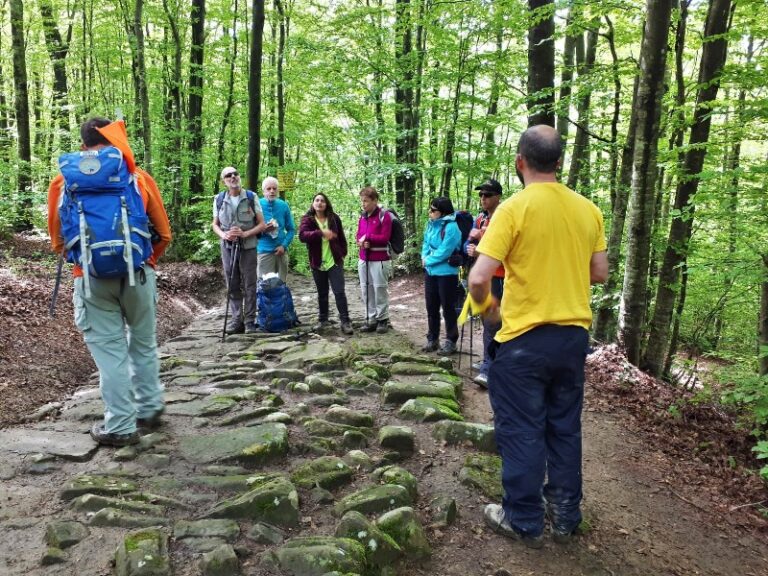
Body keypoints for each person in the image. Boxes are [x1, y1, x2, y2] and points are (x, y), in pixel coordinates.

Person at [467, 125, 608, 547]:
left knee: (522, 428)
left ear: (519, 163)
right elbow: (599, 272)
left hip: (524, 338)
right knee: (564, 426)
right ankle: (566, 516)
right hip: (572, 339)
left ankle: (523, 519)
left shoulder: (513, 209)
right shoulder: (588, 210)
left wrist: (488, 309)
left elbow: (478, 278)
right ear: (560, 162)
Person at [47, 117, 173, 447]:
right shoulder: (137, 176)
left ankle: (120, 425)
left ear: (84, 143)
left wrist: (84, 261)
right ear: (113, 138)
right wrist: (145, 259)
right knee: (143, 345)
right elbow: (165, 233)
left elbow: (58, 240)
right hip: (139, 274)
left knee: (111, 355)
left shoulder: (64, 180)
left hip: (90, 281)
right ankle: (149, 407)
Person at [212, 166, 267, 334]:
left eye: (235, 173)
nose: (233, 177)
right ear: (224, 181)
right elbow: (215, 224)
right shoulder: (219, 199)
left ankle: (250, 321)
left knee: (250, 283)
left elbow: (262, 224)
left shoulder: (251, 197)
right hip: (227, 247)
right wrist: (224, 235)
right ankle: (237, 320)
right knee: (232, 283)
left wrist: (245, 233)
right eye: (228, 175)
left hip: (248, 246)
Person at [465, 178, 505, 387]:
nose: (483, 198)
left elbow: (502, 246)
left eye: (487, 195)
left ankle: (490, 369)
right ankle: (489, 361)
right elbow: (469, 242)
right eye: (481, 195)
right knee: (486, 321)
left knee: (494, 323)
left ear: (498, 196)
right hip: (484, 276)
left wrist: (479, 242)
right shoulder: (480, 218)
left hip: (499, 276)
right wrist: (469, 248)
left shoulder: (503, 217)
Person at [298, 193, 354, 335]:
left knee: (339, 292)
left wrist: (342, 253)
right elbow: (302, 236)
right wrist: (321, 233)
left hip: (334, 261)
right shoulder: (307, 219)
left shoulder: (334, 218)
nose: (319, 203)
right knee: (322, 293)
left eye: (322, 201)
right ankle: (323, 320)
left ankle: (345, 321)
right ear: (313, 203)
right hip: (317, 262)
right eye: (317, 200)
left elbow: (341, 237)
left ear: (326, 203)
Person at [420, 196, 462, 355]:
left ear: (443, 212)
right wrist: (424, 258)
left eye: (433, 210)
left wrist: (428, 261)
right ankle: (433, 339)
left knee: (448, 308)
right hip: (431, 272)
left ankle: (451, 341)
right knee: (431, 306)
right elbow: (425, 243)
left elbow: (446, 251)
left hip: (447, 274)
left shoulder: (452, 227)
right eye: (430, 209)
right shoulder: (430, 224)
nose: (430, 212)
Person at [356, 186, 393, 333]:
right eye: (362, 201)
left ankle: (382, 319)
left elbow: (385, 238)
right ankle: (371, 318)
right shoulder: (362, 217)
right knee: (366, 289)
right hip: (364, 258)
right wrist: (361, 242)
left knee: (379, 288)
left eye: (366, 201)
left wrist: (368, 238)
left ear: (375, 200)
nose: (363, 204)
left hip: (380, 259)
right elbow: (359, 235)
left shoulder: (384, 216)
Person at [257, 176, 295, 281]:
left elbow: (291, 229)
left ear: (278, 190)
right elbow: (250, 229)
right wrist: (263, 229)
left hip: (281, 252)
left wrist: (284, 246)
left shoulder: (283, 205)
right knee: (264, 286)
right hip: (263, 252)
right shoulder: (257, 205)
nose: (272, 191)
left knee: (281, 286)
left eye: (274, 188)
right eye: (268, 189)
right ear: (263, 191)